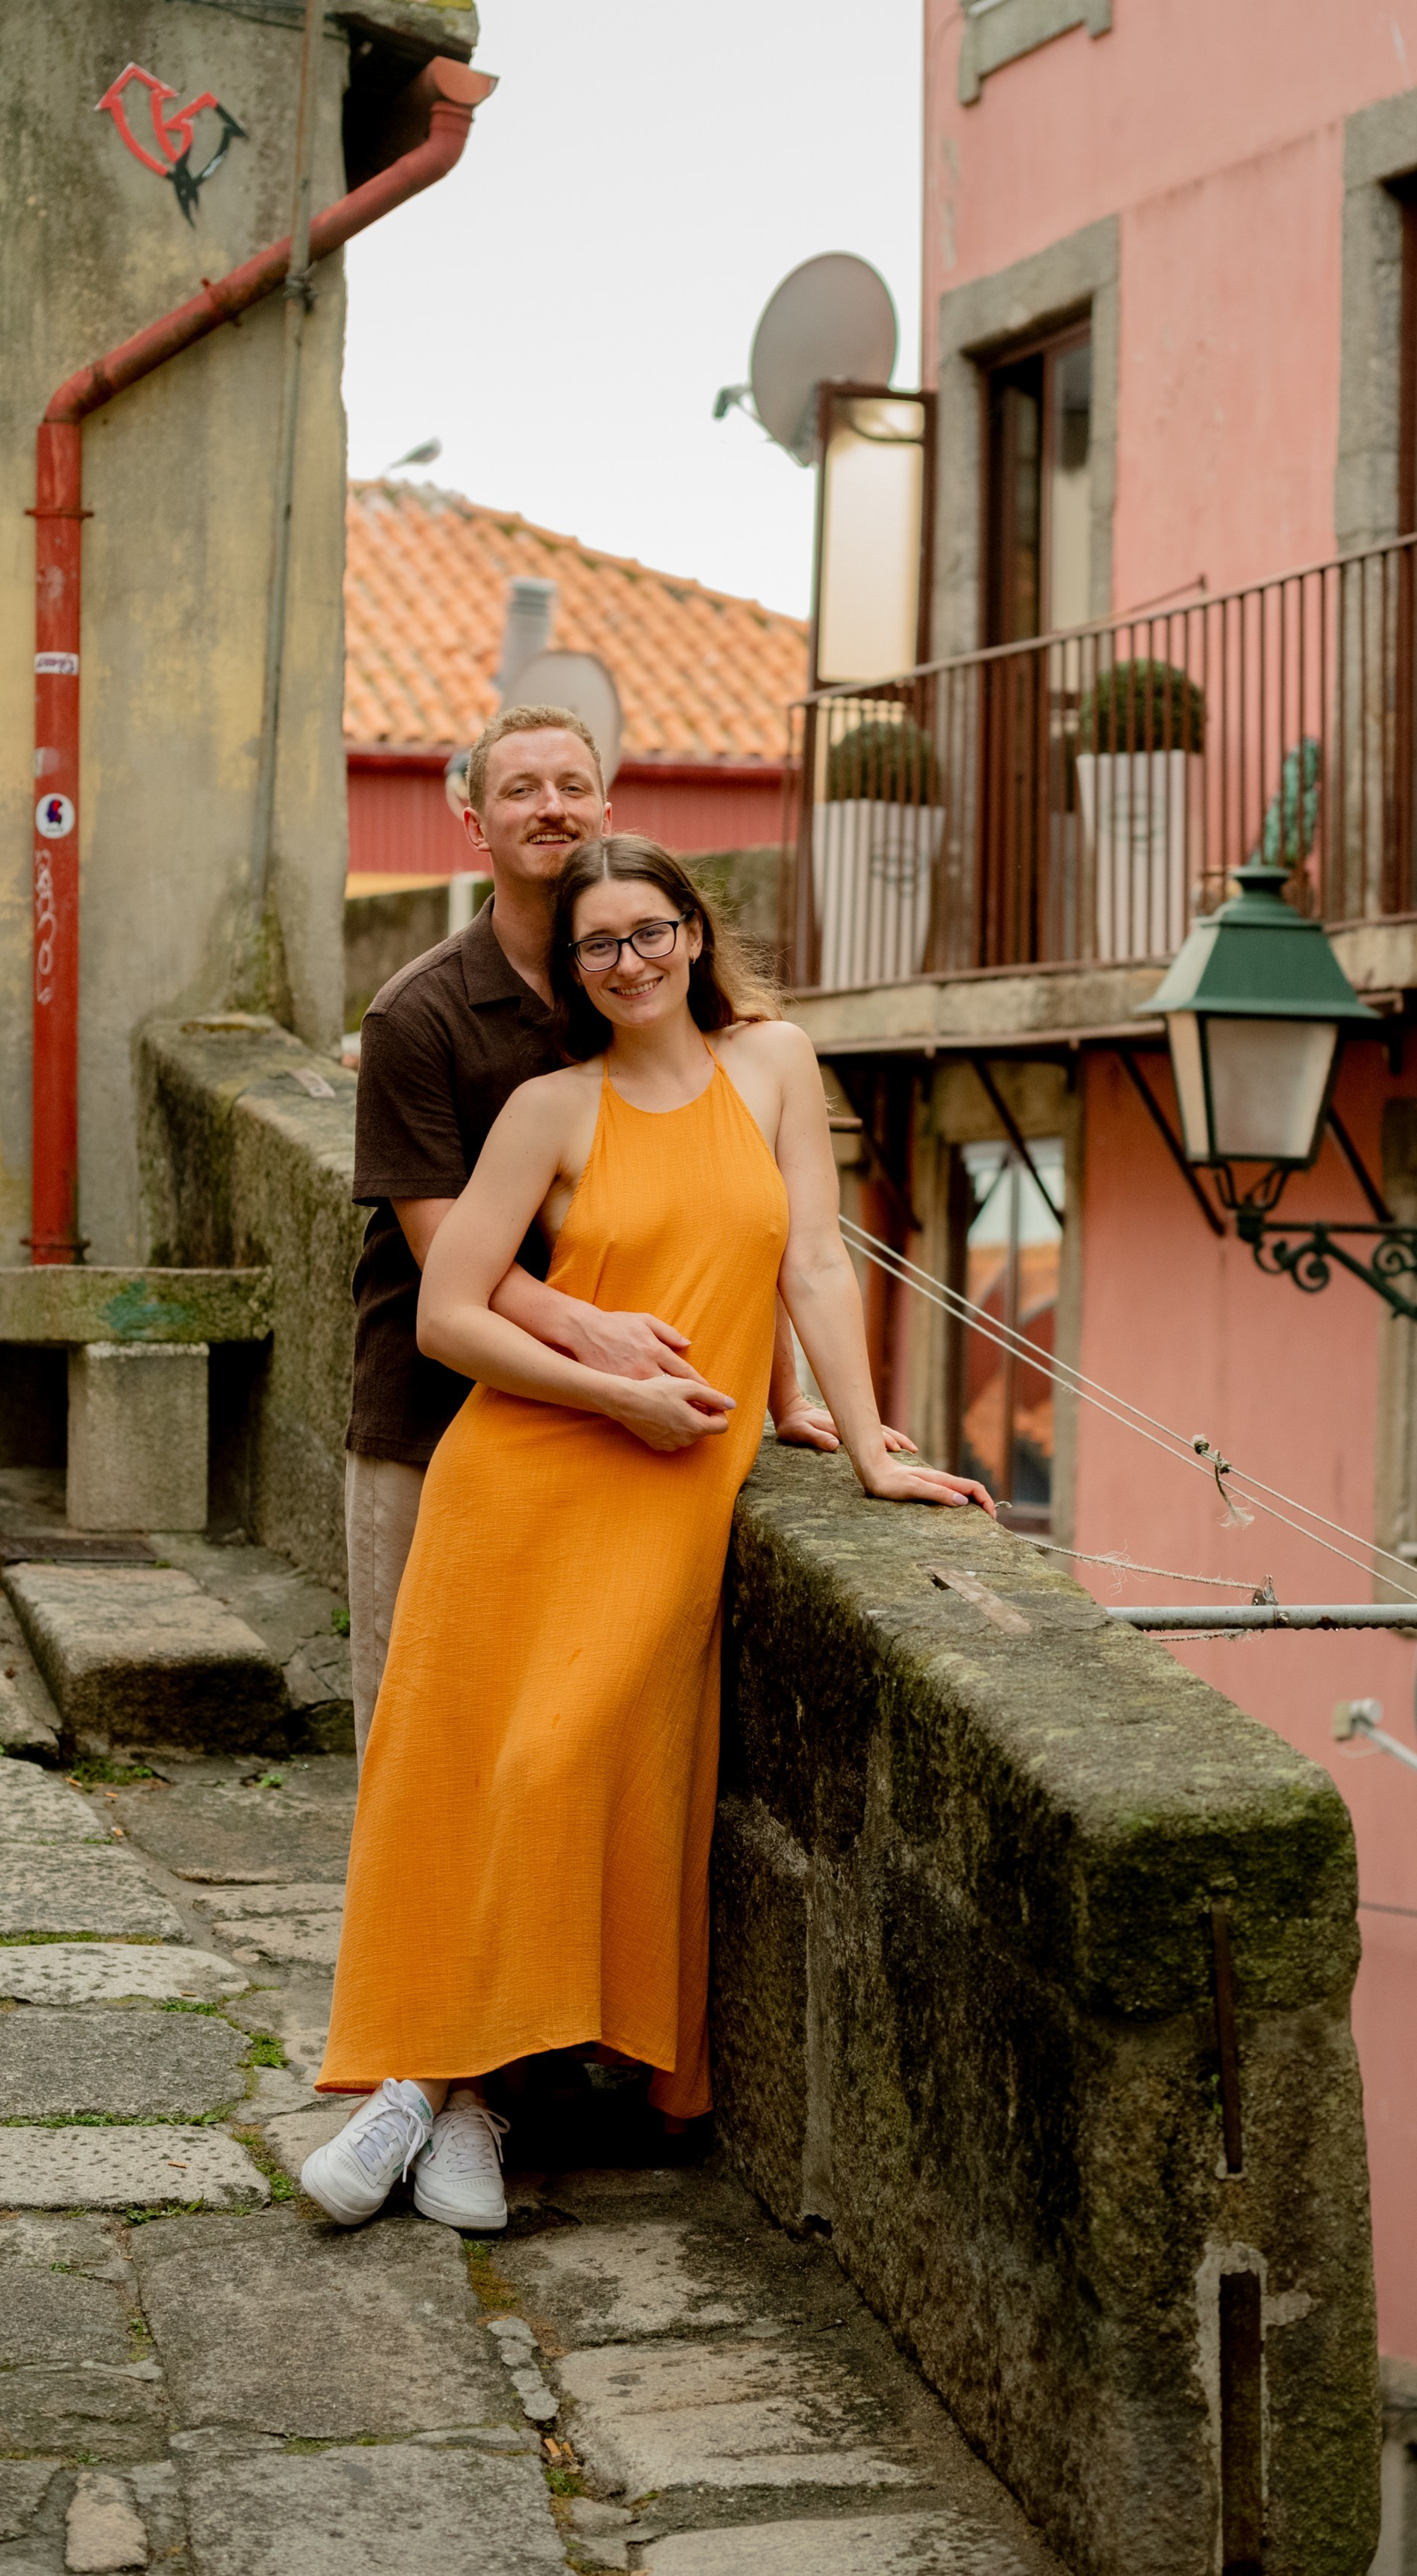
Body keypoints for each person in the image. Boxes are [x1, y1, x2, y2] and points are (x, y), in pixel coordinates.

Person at [303, 834, 993, 2232]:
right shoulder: (551, 1108)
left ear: (695, 930)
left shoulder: (780, 1064)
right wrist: (611, 1388)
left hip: (673, 1490)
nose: (629, 960)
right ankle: (457, 2103)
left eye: (650, 931)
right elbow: (451, 1313)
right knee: (474, 1781)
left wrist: (864, 1446)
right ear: (572, 970)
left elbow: (808, 1256)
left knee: (568, 1761)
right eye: (598, 944)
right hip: (521, 1473)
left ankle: (426, 2086)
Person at [344, 701, 881, 1749]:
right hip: (436, 1419)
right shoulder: (419, 1016)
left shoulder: (657, 1002)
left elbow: (729, 1215)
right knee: (423, 1743)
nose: (551, 808)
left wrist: (786, 1390)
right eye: (520, 789)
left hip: (623, 1432)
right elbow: (443, 1259)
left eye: (570, 786)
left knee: (570, 1741)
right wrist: (602, 1344)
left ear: (604, 807)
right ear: (474, 822)